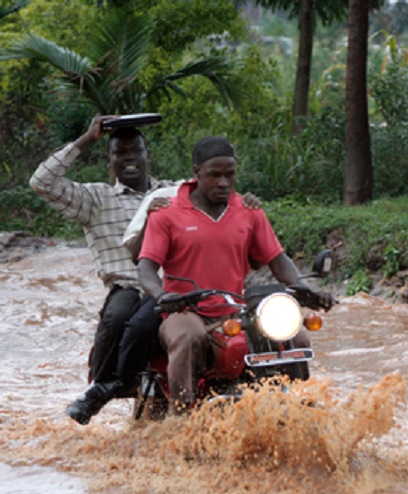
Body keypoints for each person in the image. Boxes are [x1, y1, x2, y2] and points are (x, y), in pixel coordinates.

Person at [137, 136, 334, 413]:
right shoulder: (167, 214)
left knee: (296, 336)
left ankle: (300, 410)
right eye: (214, 175)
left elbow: (277, 259)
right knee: (188, 338)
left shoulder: (248, 211)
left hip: (236, 310)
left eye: (230, 175)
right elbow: (145, 267)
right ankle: (180, 418)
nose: (223, 182)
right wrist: (162, 295)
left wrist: (304, 288)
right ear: (197, 172)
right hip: (185, 310)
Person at [29, 116, 181, 424]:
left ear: (146, 154)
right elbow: (41, 182)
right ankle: (103, 385)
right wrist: (87, 139)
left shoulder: (172, 193)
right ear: (109, 160)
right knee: (118, 316)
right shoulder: (95, 199)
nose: (129, 159)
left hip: (174, 289)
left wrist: (245, 202)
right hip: (127, 286)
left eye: (135, 151)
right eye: (119, 153)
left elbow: (215, 192)